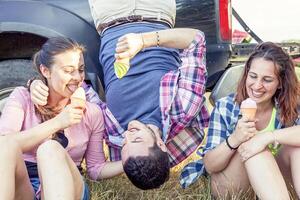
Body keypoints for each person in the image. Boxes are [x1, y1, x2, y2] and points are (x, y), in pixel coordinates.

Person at [30, 0, 209, 190]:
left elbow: (75, 85)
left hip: (110, 14)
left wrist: (35, 83)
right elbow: (195, 39)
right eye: (137, 139)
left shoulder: (113, 129)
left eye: (125, 145)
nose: (128, 134)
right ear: (161, 144)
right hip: (154, 11)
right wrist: (143, 41)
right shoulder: (183, 108)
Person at [0, 37, 123, 200]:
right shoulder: (22, 98)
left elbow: (95, 168)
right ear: (45, 71)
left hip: (66, 183)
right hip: (23, 186)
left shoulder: (91, 112)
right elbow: (5, 145)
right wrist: (58, 123)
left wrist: (126, 162)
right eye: (68, 70)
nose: (78, 77)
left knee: (49, 148)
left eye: (80, 69)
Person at [181, 42, 300, 199]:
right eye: (253, 76)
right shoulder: (226, 106)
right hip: (233, 183)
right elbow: (210, 165)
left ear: (280, 83)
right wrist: (235, 139)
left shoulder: (290, 105)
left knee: (296, 148)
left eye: (267, 80)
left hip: (274, 181)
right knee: (251, 148)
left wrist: (268, 136)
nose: (257, 86)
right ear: (246, 74)